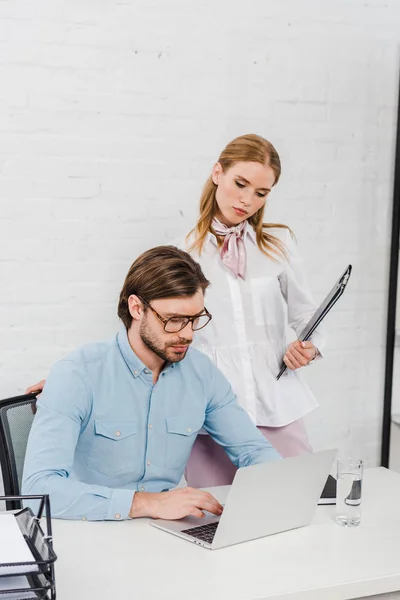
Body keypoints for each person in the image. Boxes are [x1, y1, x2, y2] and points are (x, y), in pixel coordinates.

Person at [22, 246, 280, 521]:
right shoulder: (77, 375)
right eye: (174, 320)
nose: (188, 334)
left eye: (195, 319)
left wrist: (284, 485)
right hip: (91, 530)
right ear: (136, 308)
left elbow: (253, 451)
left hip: (165, 534)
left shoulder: (202, 373)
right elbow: (37, 490)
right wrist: (145, 504)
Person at [173, 133, 326, 487]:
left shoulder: (279, 244)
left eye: (261, 193)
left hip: (277, 403)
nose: (247, 200)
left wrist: (308, 346)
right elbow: (158, 335)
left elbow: (307, 315)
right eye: (240, 184)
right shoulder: (180, 253)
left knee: (296, 502)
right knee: (218, 520)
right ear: (217, 173)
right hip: (211, 415)